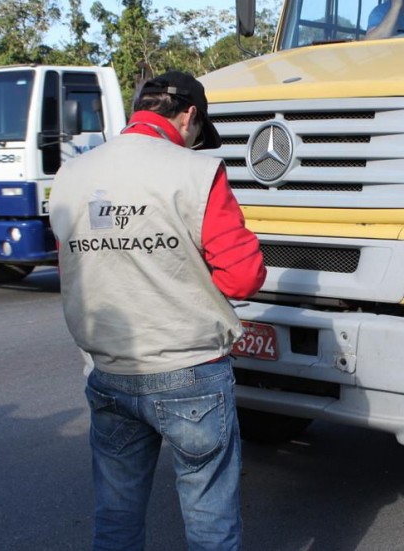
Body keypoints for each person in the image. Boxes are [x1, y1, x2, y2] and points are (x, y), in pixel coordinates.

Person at [49, 70, 266, 550]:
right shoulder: (197, 172)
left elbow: (74, 271)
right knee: (210, 520)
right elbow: (243, 276)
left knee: (116, 516)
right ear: (189, 115)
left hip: (109, 370)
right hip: (190, 372)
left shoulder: (71, 175)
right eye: (196, 131)